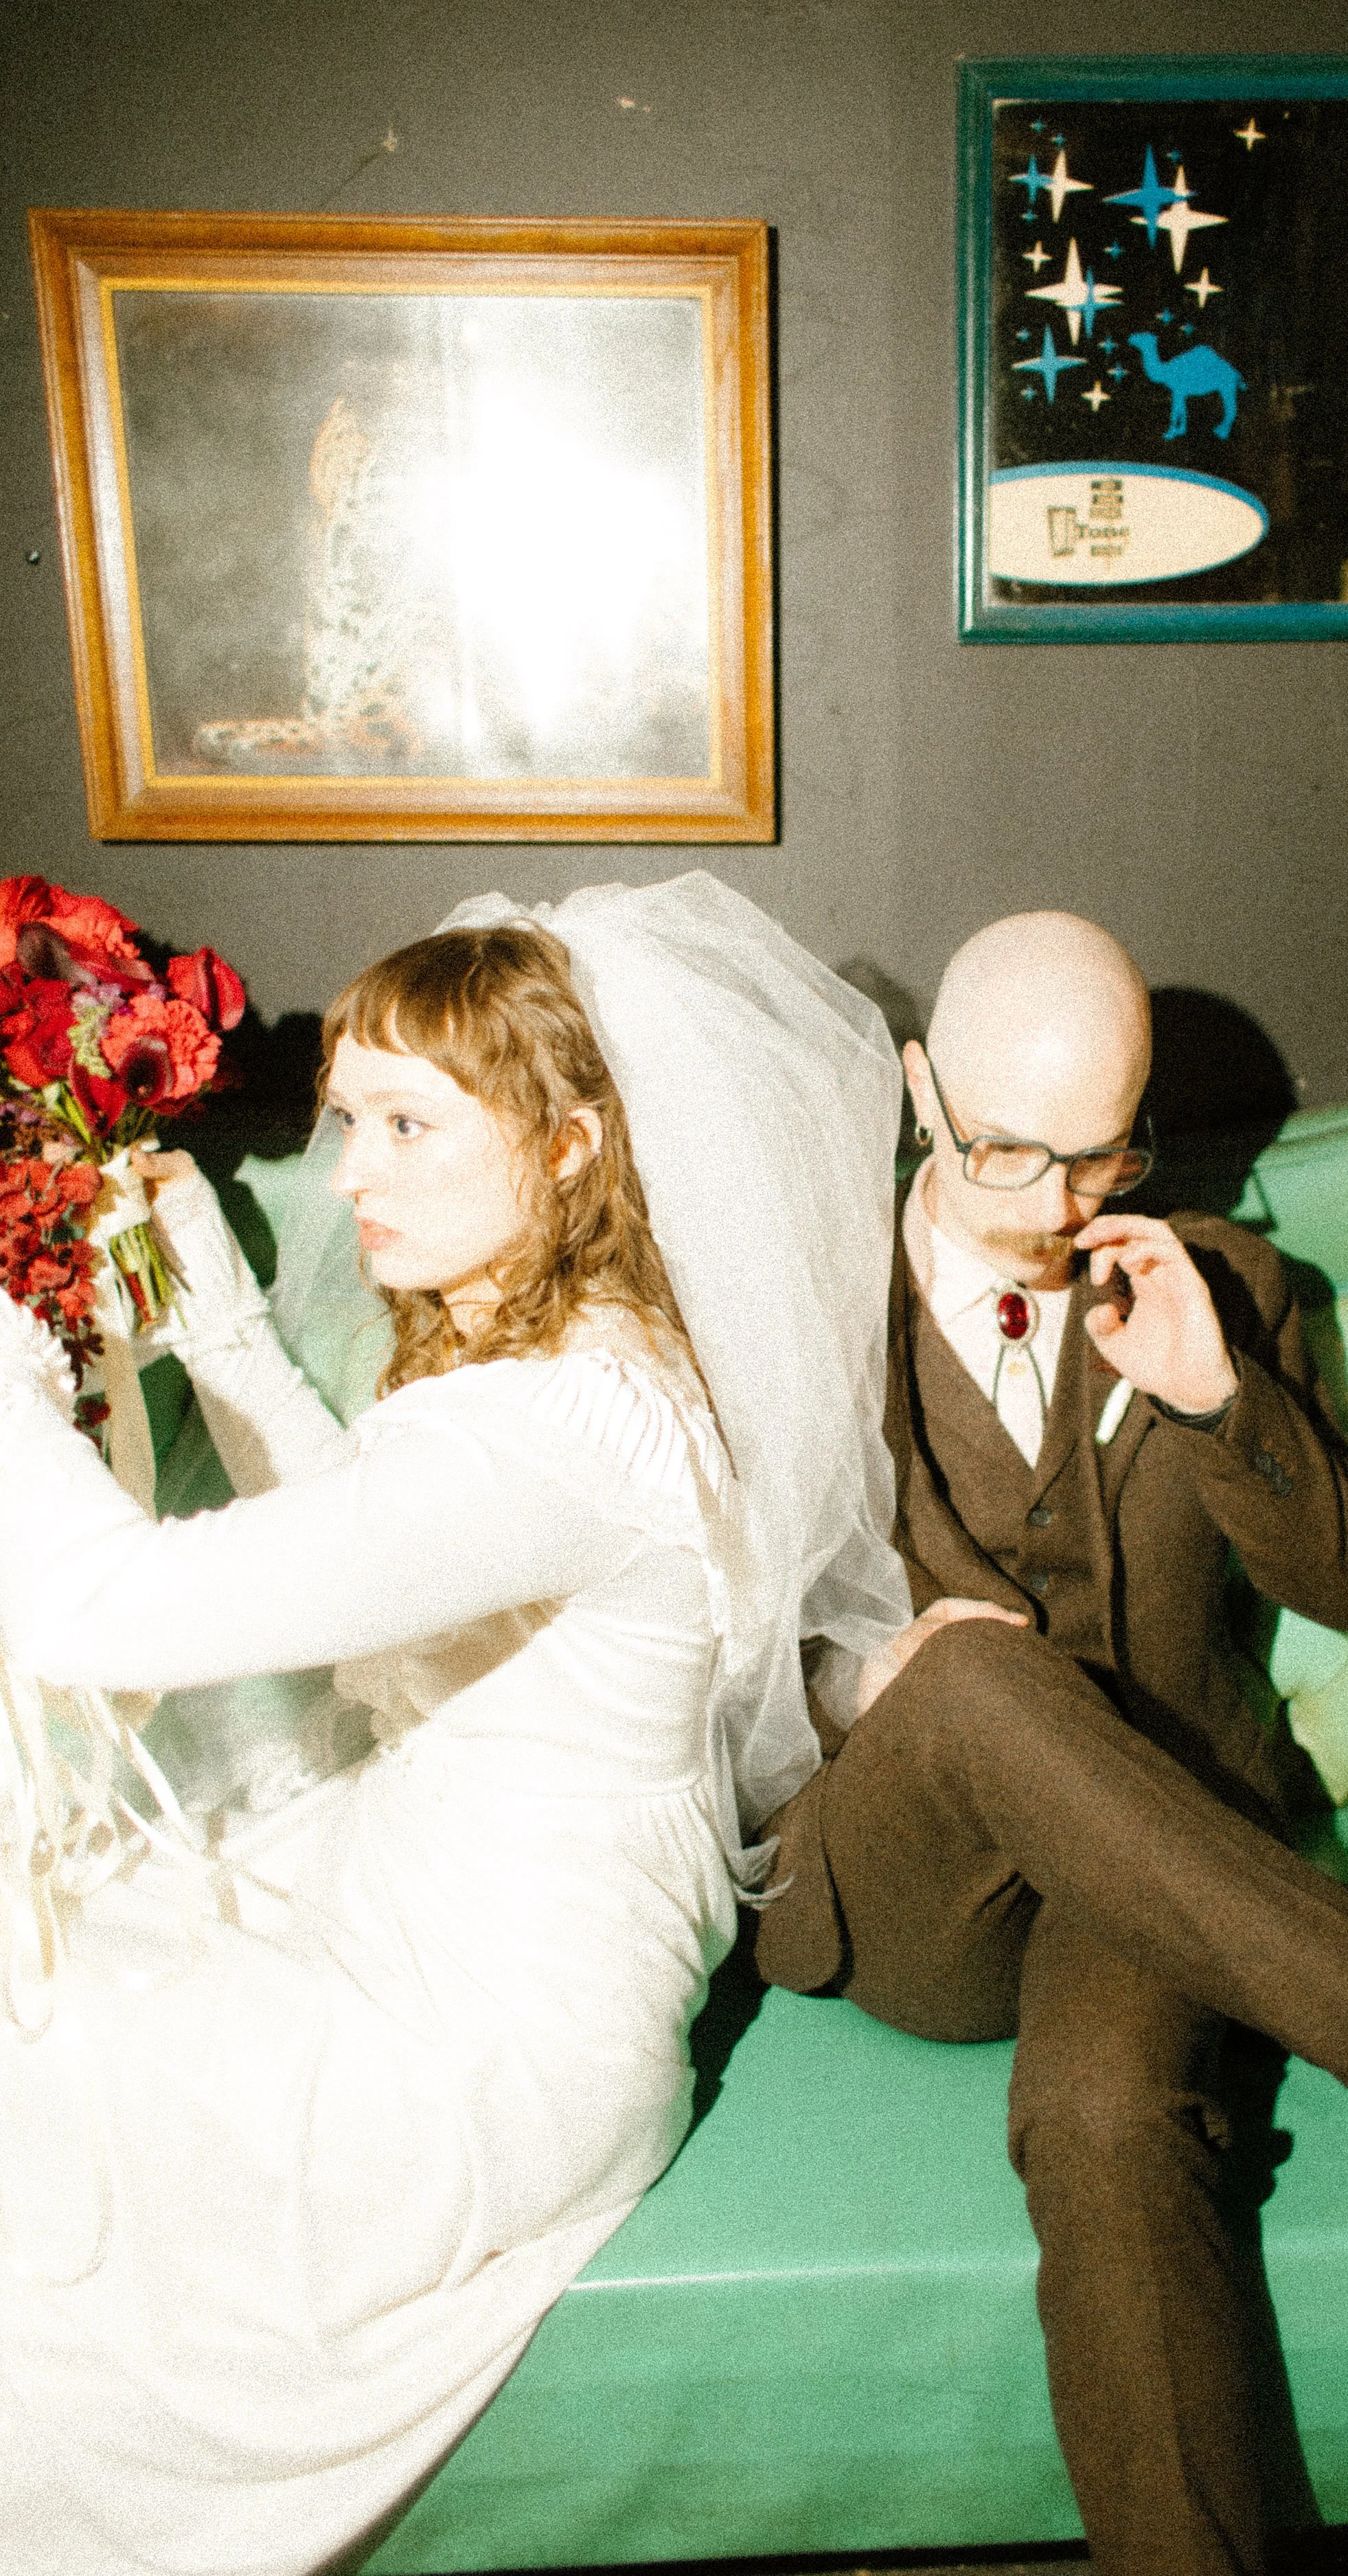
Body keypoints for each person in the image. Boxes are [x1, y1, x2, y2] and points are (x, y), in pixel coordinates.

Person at [753, 909, 1348, 2576]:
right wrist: (866, 1679)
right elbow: (711, 1644)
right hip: (922, 1889)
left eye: (1100, 1154)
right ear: (919, 1094)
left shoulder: (1227, 1285)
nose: (1061, 1208)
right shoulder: (796, 1308)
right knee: (974, 1686)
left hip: (1161, 1859)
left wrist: (1213, 1396)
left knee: (1109, 2122)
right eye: (1005, 1155)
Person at [0, 875, 911, 2576]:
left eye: (414, 1126)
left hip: (485, 2050)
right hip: (437, 1911)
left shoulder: (555, 1432)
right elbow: (381, 1544)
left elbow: (99, 1611)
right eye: (350, 1121)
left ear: (572, 1147)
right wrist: (213, 1308)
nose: (352, 1176)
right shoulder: (582, 1355)